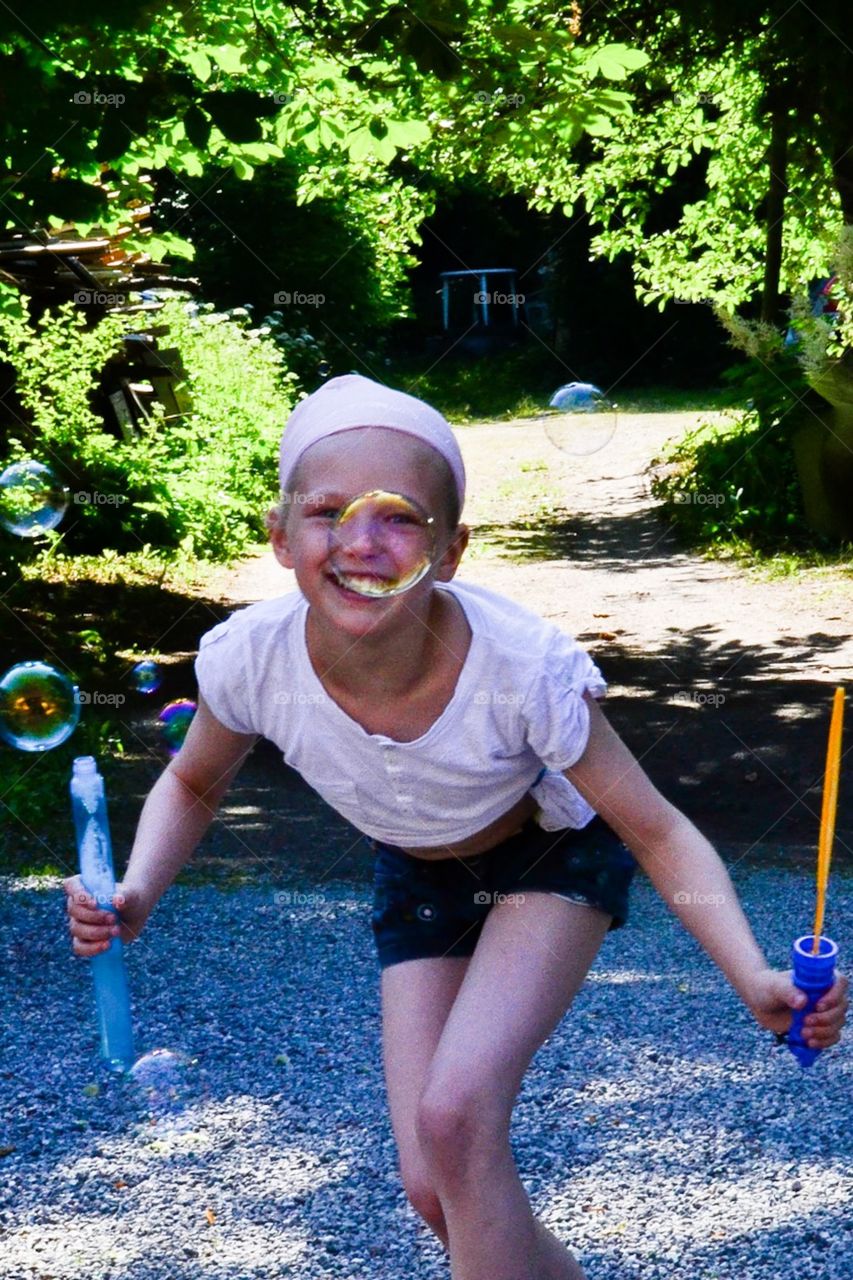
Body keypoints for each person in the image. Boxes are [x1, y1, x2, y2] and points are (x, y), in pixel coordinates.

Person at [65, 373, 848, 1280]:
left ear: (452, 547)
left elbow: (657, 829)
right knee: (433, 1185)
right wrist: (137, 892)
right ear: (280, 538)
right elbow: (195, 782)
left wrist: (747, 969)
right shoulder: (251, 658)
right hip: (418, 873)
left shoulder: (523, 669)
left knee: (455, 1116)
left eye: (397, 515)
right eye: (326, 512)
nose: (361, 539)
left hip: (546, 856)